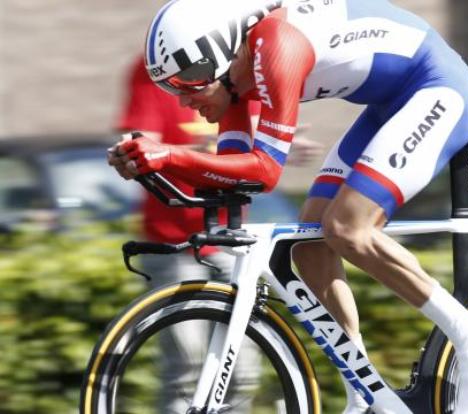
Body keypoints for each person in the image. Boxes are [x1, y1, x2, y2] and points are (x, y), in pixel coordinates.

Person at [108, 0, 468, 413]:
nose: (183, 101)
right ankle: (366, 393)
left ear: (224, 52)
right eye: (173, 88)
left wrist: (169, 156)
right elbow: (235, 173)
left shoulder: (277, 46)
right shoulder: (237, 80)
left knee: (348, 228)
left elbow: (265, 172)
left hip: (437, 89)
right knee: (309, 245)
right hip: (389, 106)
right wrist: (148, 164)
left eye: (190, 81)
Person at [116, 55, 322, 413]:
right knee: (187, 368)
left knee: (241, 373)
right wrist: (140, 153)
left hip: (231, 239)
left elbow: (261, 145)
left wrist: (284, 146)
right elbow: (146, 142)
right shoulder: (153, 71)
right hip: (175, 243)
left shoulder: (242, 70)